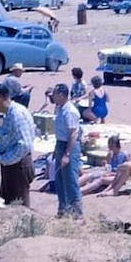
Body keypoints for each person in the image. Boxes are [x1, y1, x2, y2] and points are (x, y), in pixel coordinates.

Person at [50, 84, 83, 219]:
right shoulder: (60, 109)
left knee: (70, 179)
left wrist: (67, 154)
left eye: (55, 94)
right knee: (59, 179)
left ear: (62, 95)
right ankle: (63, 210)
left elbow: (73, 134)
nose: (53, 96)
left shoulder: (70, 111)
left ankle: (77, 213)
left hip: (69, 146)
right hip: (60, 144)